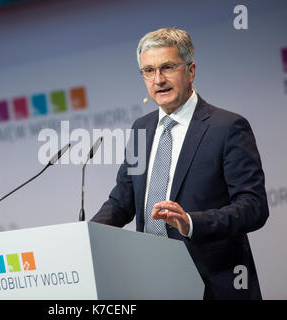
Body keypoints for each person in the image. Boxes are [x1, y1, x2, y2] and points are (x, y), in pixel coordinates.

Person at [90, 28, 269, 300]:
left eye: (167, 67)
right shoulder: (142, 128)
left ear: (191, 70)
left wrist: (190, 222)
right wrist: (85, 236)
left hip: (213, 284)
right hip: (152, 282)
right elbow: (121, 202)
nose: (158, 79)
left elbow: (254, 207)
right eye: (148, 71)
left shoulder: (228, 127)